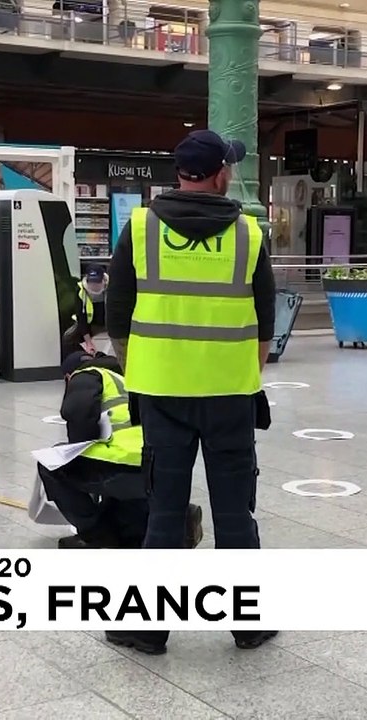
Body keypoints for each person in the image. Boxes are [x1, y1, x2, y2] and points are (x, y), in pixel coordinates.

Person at [104, 129, 277, 655]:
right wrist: (241, 371)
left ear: (181, 174)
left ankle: (148, 629)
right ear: (221, 173)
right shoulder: (249, 233)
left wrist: (144, 370)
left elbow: (116, 316)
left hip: (162, 396)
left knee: (164, 514)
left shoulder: (139, 227)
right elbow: (265, 322)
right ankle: (247, 624)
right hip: (229, 397)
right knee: (234, 515)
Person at [41, 352, 203, 549]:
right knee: (127, 522)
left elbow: (78, 416)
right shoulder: (130, 376)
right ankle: (179, 521)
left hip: (121, 464)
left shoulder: (87, 375)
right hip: (157, 465)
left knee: (51, 464)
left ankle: (96, 534)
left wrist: (77, 444)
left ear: (68, 377)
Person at [72, 265, 109, 353]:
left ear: (103, 280)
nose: (94, 286)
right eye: (91, 282)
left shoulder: (112, 288)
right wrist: (88, 342)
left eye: (97, 282)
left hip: (108, 326)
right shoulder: (81, 291)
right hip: (90, 327)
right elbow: (81, 318)